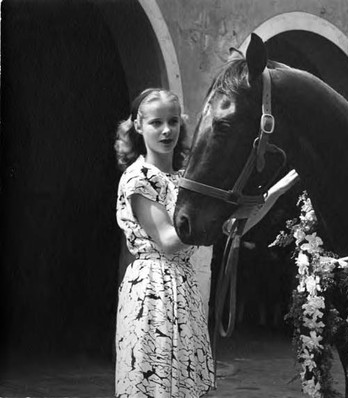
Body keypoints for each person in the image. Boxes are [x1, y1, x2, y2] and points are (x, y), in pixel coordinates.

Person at [114, 88, 299, 397]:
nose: (166, 130)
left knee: (186, 384)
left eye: (173, 121)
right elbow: (169, 242)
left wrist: (276, 191)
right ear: (137, 125)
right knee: (155, 381)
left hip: (184, 289)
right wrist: (219, 217)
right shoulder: (139, 177)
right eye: (156, 123)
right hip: (153, 289)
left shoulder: (184, 178)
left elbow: (231, 229)